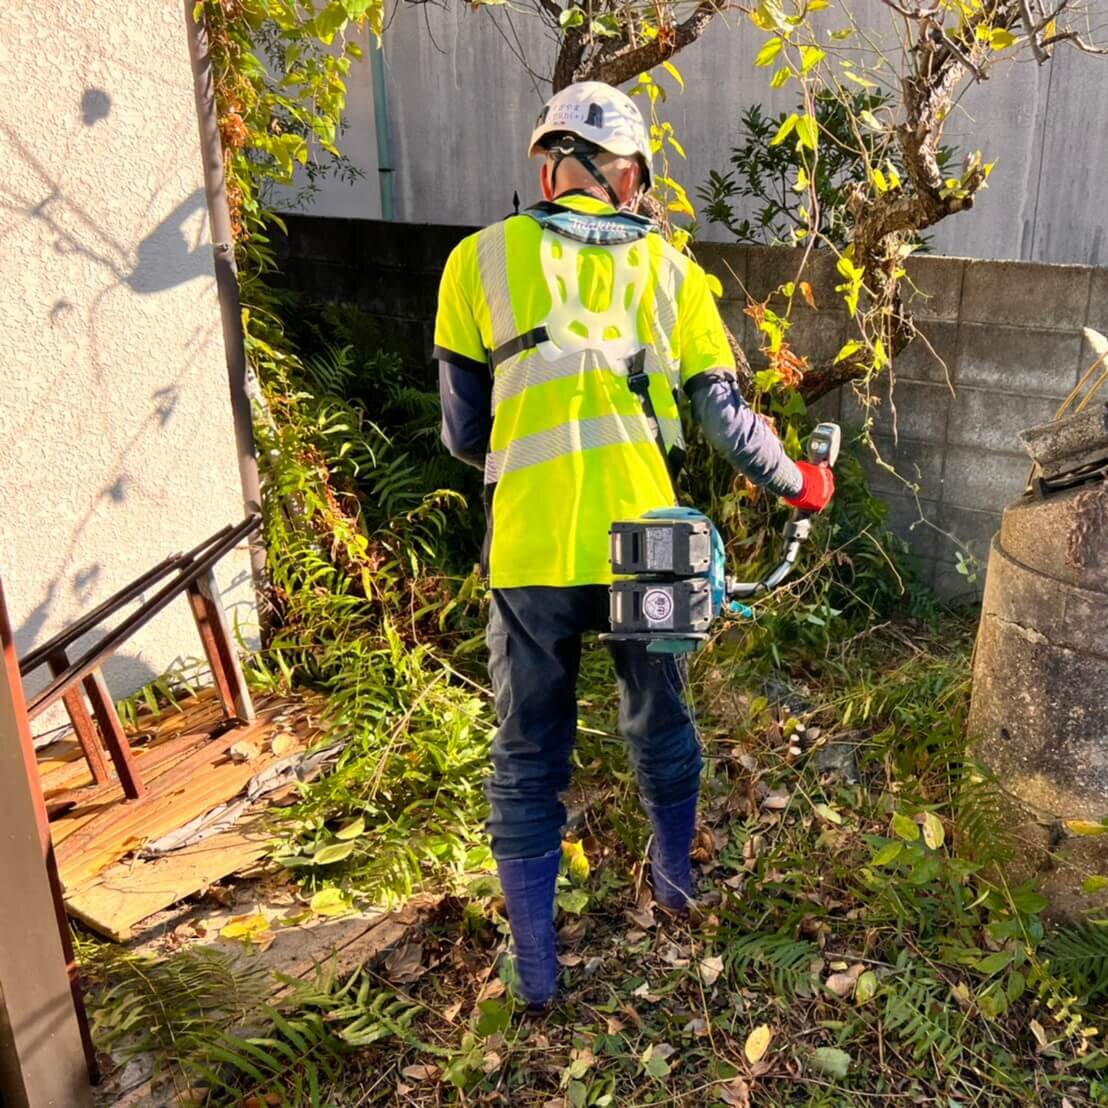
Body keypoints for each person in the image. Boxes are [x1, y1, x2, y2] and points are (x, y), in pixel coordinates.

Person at [433, 81, 834, 1011]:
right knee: (660, 718)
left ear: (549, 168)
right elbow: (730, 422)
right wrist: (802, 482)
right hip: (650, 539)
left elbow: (463, 434)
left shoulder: (476, 262)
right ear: (628, 177)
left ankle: (536, 971)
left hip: (532, 546)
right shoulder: (675, 269)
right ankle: (676, 887)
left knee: (528, 752)